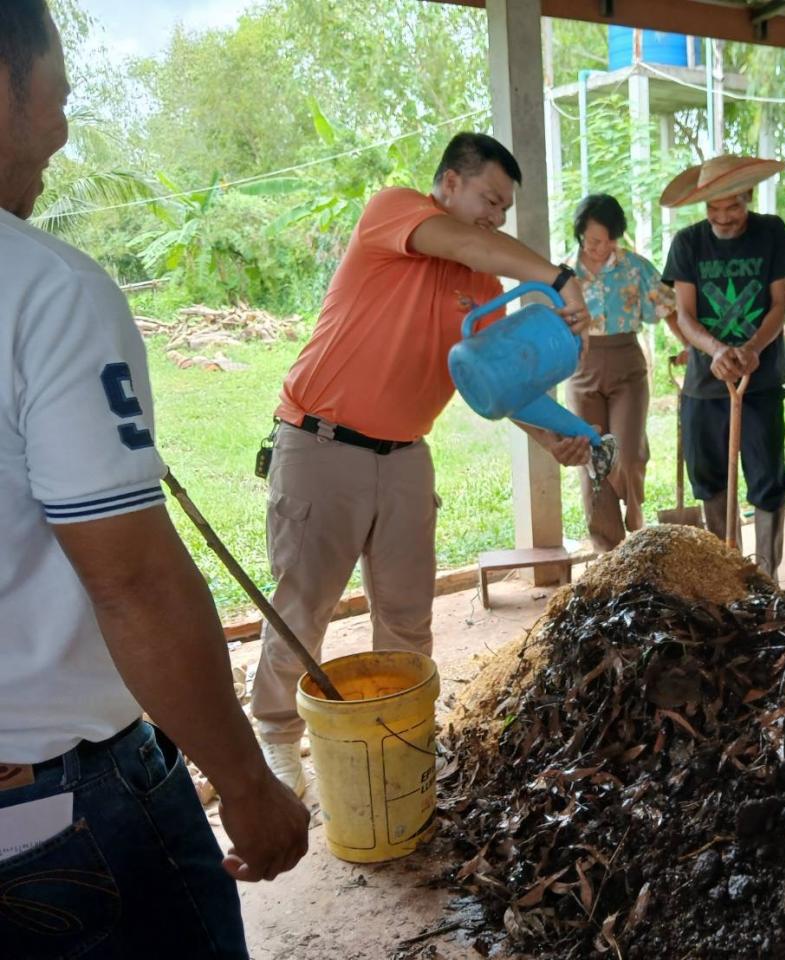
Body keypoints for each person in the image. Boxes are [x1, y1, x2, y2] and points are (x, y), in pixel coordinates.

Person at [0, 3, 309, 957]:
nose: (59, 129)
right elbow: (131, 578)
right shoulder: (44, 288)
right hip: (58, 808)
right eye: (55, 94)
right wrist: (249, 789)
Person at [252, 132, 593, 792]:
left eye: (504, 208)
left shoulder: (481, 284)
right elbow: (465, 240)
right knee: (303, 603)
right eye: (490, 199)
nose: (495, 217)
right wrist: (557, 276)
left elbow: (503, 383)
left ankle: (404, 741)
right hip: (321, 445)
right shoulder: (392, 212)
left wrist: (554, 437)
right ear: (447, 185)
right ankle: (275, 735)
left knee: (407, 615)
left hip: (406, 457)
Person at [660, 156, 785, 579]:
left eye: (733, 208)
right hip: (705, 384)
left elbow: (780, 303)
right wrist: (716, 351)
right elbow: (684, 315)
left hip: (759, 383)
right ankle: (729, 575)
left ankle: (765, 576)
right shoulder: (687, 243)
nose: (723, 218)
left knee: (767, 478)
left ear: (748, 199)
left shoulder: (771, 232)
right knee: (709, 480)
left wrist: (754, 348)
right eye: (714, 210)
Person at [565, 193, 680, 553]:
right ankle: (608, 550)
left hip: (627, 365)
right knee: (592, 460)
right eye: (595, 240)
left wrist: (691, 346)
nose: (602, 248)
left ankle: (633, 511)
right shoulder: (562, 275)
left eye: (610, 240)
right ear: (581, 233)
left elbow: (668, 309)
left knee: (627, 455)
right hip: (580, 367)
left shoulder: (635, 268)